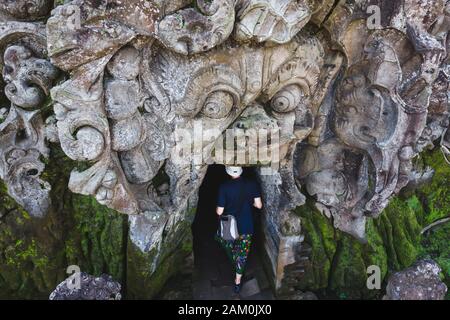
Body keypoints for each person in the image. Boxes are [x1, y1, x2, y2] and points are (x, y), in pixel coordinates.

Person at [216, 166, 263, 294]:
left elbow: (219, 211)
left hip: (229, 226)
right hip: (246, 225)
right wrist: (250, 204)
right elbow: (259, 205)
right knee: (242, 254)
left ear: (228, 172)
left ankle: (234, 259)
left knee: (223, 241)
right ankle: (238, 281)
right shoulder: (252, 184)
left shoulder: (224, 187)